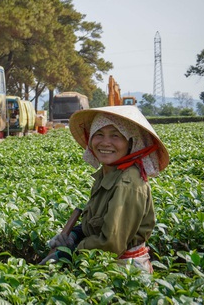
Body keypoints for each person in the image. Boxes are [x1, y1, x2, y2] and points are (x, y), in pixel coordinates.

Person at [44, 105, 169, 273]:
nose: (105, 142)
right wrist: (74, 234)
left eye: (116, 136)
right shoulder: (108, 173)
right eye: (99, 134)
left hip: (123, 272)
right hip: (100, 265)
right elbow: (97, 223)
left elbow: (111, 244)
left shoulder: (128, 181)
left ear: (130, 142)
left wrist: (70, 251)